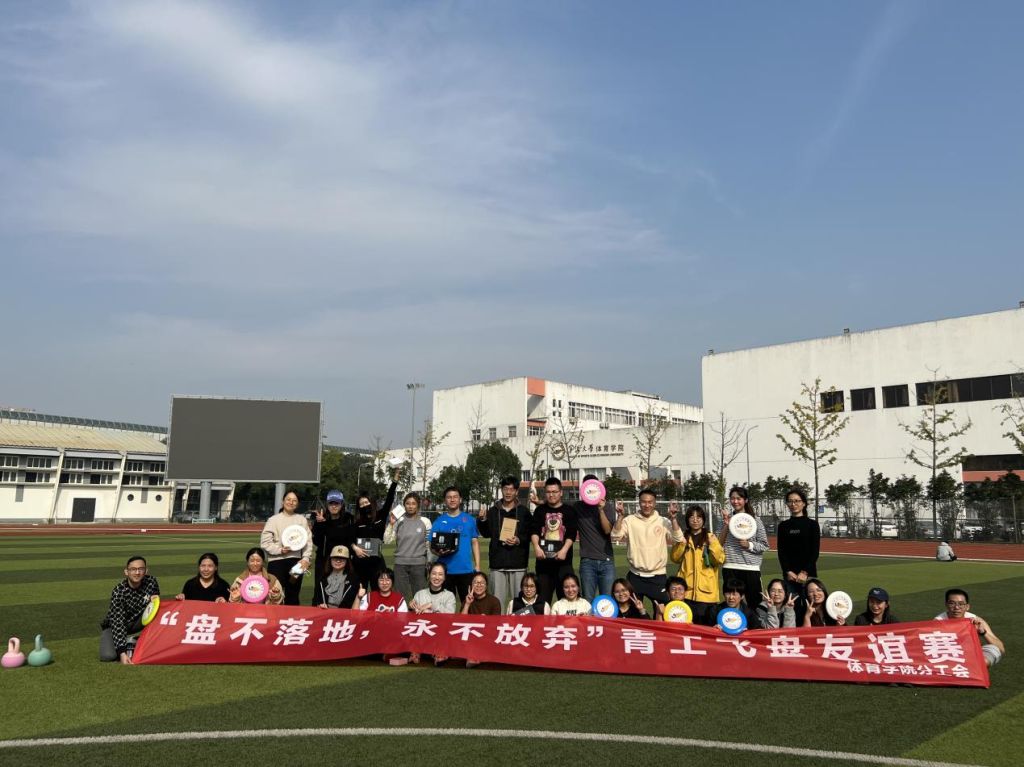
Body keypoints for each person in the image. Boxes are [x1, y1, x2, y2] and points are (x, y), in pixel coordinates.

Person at [611, 489, 684, 613]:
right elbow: (615, 536)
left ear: (655, 503)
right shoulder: (630, 520)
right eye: (644, 502)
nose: (647, 505)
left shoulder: (663, 521)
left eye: (650, 502)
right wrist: (620, 517)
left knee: (662, 612)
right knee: (634, 612)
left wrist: (673, 519)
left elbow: (678, 538)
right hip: (635, 576)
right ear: (639, 503)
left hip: (658, 576)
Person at [477, 477, 531, 608]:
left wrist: (518, 540)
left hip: (518, 564)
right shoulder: (493, 511)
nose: (508, 492)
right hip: (497, 564)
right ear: (501, 490)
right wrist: (482, 520)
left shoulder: (524, 511)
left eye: (511, 489)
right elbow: (486, 533)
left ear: (516, 491)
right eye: (505, 489)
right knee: (497, 604)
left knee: (520, 605)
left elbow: (530, 534)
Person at [670, 505, 726, 626]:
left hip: (707, 594)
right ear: (687, 520)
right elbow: (675, 558)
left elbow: (720, 559)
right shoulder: (683, 537)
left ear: (703, 520)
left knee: (707, 629)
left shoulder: (710, 537)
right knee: (686, 629)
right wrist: (682, 544)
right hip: (686, 593)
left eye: (698, 517)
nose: (695, 520)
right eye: (692, 517)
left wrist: (712, 545)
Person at [100, 555, 160, 664]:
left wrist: (155, 599)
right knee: (108, 656)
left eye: (140, 569)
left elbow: (156, 603)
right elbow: (118, 622)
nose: (137, 572)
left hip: (139, 620)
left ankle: (143, 640)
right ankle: (128, 643)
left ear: (146, 571)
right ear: (126, 572)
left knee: (157, 612)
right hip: (116, 624)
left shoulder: (151, 581)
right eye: (133, 569)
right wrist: (122, 653)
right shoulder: (119, 591)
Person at [530, 477, 579, 605]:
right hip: (544, 564)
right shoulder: (540, 510)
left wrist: (564, 550)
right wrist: (536, 547)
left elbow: (571, 534)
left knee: (567, 602)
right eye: (548, 492)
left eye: (554, 491)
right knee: (542, 602)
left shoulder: (569, 511)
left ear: (561, 492)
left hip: (564, 564)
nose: (551, 495)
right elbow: (534, 531)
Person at [260, 490, 313, 606]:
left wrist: (305, 559)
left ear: (297, 504)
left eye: (294, 500)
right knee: (274, 595)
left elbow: (308, 542)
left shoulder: (301, 520)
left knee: (293, 595)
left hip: (297, 563)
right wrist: (280, 550)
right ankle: (274, 617)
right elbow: (265, 543)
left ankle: (292, 617)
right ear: (283, 501)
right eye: (288, 499)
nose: (291, 502)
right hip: (276, 562)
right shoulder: (273, 520)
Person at [776, 487, 820, 625]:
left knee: (811, 607)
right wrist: (788, 571)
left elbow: (815, 552)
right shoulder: (783, 526)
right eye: (790, 501)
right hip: (790, 577)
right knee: (791, 608)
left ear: (804, 503)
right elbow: (781, 551)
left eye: (797, 501)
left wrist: (805, 572)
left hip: (808, 575)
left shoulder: (812, 525)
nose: (793, 504)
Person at [352, 467, 400, 591]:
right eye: (361, 504)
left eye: (366, 502)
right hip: (360, 562)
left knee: (378, 592)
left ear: (371, 502)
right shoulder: (356, 521)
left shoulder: (380, 515)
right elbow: (350, 539)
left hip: (377, 562)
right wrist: (355, 548)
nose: (364, 505)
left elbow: (389, 498)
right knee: (359, 592)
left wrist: (395, 480)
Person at [718, 485, 769, 602]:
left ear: (745, 500)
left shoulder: (755, 520)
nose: (735, 501)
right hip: (730, 566)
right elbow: (718, 543)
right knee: (732, 604)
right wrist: (726, 525)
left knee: (754, 604)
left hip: (751, 568)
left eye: (739, 498)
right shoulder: (726, 519)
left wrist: (749, 545)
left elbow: (764, 545)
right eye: (732, 498)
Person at [430, 486, 481, 603]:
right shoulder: (439, 521)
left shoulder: (469, 519)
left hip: (466, 570)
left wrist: (477, 565)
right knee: (445, 607)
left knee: (468, 604)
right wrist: (438, 552)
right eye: (449, 497)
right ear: (445, 500)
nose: (452, 500)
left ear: (460, 499)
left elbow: (474, 542)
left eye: (455, 497)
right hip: (445, 572)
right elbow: (433, 546)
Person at [574, 474, 618, 602]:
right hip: (587, 561)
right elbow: (558, 505)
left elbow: (607, 530)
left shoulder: (607, 506)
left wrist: (600, 509)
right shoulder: (578, 506)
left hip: (606, 561)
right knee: (587, 600)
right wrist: (539, 502)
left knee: (607, 601)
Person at [935, 588, 1005, 667]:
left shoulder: (975, 620)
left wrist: (983, 632)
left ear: (967, 607)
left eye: (961, 604)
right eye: (952, 603)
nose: (956, 607)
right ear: (946, 605)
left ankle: (975, 667)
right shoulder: (938, 622)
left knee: (993, 650)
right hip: (949, 656)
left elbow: (1001, 648)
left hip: (972, 655)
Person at [387, 491, 432, 602]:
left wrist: (429, 563)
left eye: (413, 503)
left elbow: (428, 545)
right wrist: (391, 524)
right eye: (407, 503)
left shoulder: (425, 521)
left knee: (420, 599)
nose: (410, 506)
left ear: (418, 505)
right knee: (399, 599)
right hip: (400, 565)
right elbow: (387, 540)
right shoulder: (398, 521)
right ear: (404, 505)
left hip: (419, 565)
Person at [410, 562, 457, 665]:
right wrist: (412, 608)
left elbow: (450, 616)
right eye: (434, 573)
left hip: (441, 633)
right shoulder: (420, 594)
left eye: (440, 574)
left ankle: (438, 653)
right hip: (423, 633)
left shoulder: (449, 595)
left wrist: (431, 605)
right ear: (429, 575)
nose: (437, 577)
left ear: (444, 577)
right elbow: (414, 618)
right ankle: (417, 651)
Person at [311, 489, 354, 581]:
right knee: (321, 587)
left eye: (336, 503)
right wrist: (321, 524)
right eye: (331, 503)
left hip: (343, 558)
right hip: (324, 560)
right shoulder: (321, 519)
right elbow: (316, 541)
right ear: (327, 504)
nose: (334, 506)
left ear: (341, 504)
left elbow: (350, 538)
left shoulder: (349, 519)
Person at [312, 545, 359, 609]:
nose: (338, 561)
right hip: (324, 612)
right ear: (330, 559)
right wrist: (319, 605)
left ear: (347, 561)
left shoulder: (353, 579)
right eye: (335, 558)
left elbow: (354, 604)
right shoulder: (323, 578)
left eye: (342, 558)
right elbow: (316, 600)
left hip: (344, 613)